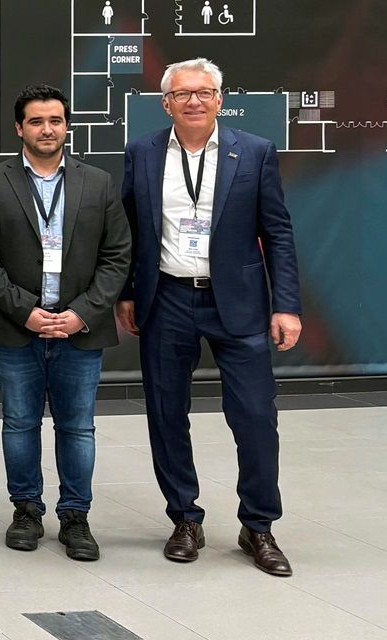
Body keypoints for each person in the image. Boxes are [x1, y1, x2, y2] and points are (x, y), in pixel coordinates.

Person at [118, 58, 302, 576]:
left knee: (256, 417)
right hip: (167, 300)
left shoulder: (256, 152)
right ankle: (185, 518)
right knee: (166, 413)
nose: (194, 101)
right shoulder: (143, 153)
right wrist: (128, 293)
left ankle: (259, 526)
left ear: (220, 99)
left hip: (238, 303)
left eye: (204, 92)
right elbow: (129, 230)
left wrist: (286, 303)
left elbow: (279, 233)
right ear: (166, 103)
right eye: (183, 94)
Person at [0, 84, 130, 561]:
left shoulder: (97, 183)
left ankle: (75, 517)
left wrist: (81, 313)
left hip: (82, 328)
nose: (47, 129)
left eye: (55, 120)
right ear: (19, 128)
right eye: (36, 121)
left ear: (67, 127)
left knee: (78, 427)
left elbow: (118, 256)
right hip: (16, 327)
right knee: (19, 423)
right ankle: (27, 511)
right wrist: (25, 312)